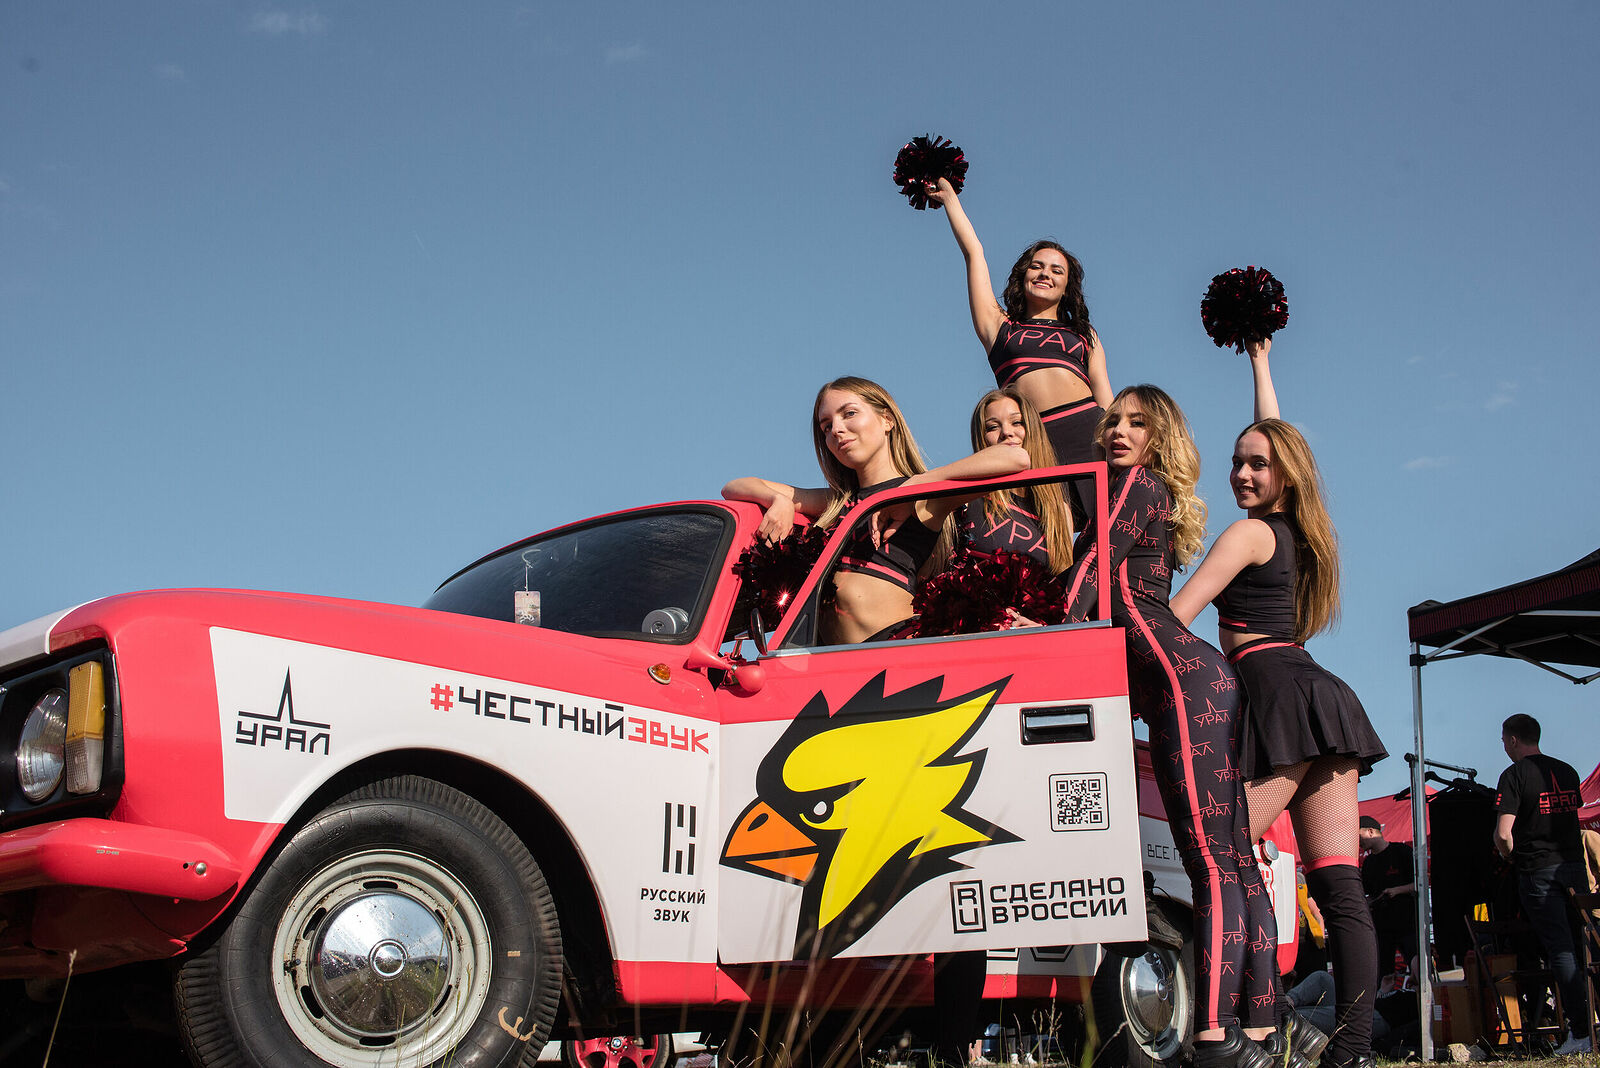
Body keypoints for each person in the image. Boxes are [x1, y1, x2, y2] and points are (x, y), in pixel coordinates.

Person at [1169, 336, 1387, 1068]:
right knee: (1339, 886)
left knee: (1220, 864)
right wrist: (1261, 365)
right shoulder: (1300, 534)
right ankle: (1349, 1049)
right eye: (1236, 461)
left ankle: (1227, 1031)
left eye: (1257, 464)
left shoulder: (1248, 534)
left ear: (1283, 474)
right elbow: (1280, 439)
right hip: (1321, 698)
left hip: (1279, 701)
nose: (1241, 472)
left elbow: (1178, 618)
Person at [1058, 385, 1273, 1068]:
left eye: (1137, 422)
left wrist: (1050, 634)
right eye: (1113, 421)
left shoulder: (1136, 484)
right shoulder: (1148, 491)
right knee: (1233, 860)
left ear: (1161, 436)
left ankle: (1212, 1035)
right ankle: (1259, 1030)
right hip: (1187, 679)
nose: (1118, 431)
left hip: (1184, 683)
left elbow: (1095, 570)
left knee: (1211, 862)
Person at [721, 376, 1028, 646]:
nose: (836, 430)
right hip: (828, 663)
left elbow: (1015, 459)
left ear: (887, 420)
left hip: (894, 649)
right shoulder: (837, 502)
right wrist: (779, 500)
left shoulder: (923, 496)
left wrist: (915, 485)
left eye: (849, 414)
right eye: (826, 427)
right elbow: (734, 486)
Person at [926, 178, 1112, 521]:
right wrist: (951, 201)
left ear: (1067, 286)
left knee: (1103, 529)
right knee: (1050, 529)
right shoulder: (999, 326)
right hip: (1034, 438)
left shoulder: (1086, 335)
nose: (1045, 274)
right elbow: (974, 253)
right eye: (1036, 266)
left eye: (1056, 270)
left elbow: (1107, 402)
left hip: (1089, 433)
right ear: (1023, 275)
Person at [1494, 712, 1591, 1055]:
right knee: (1585, 948)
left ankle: (1581, 1033)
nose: (1504, 746)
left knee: (1560, 950)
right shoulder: (1567, 771)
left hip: (1538, 870)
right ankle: (1589, 1026)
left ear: (1513, 740)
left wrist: (1509, 856)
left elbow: (1503, 834)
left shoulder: (1513, 775)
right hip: (1574, 868)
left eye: (1503, 740)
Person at [948, 387, 1075, 570]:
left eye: (1017, 423)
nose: (1006, 432)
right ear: (981, 439)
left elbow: (1064, 575)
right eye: (993, 427)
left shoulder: (1059, 511)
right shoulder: (965, 498)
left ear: (1032, 430)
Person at [1358, 816, 1417, 985]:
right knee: (1384, 974)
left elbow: (1420, 883)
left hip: (1407, 923)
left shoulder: (1401, 852)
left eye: (1358, 836)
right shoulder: (1368, 864)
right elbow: (1368, 894)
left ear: (1370, 832)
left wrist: (1397, 891)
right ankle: (1386, 999)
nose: (1358, 842)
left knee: (1417, 965)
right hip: (1382, 927)